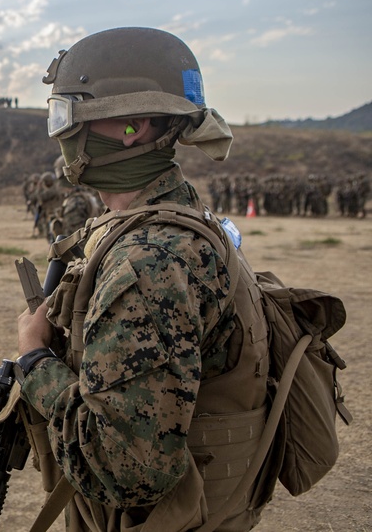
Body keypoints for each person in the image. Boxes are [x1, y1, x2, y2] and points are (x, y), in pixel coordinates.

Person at [14, 27, 265, 530]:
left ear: (134, 124)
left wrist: (35, 359)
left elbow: (128, 470)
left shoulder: (149, 260)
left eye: (66, 115)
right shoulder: (175, 216)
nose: (61, 133)